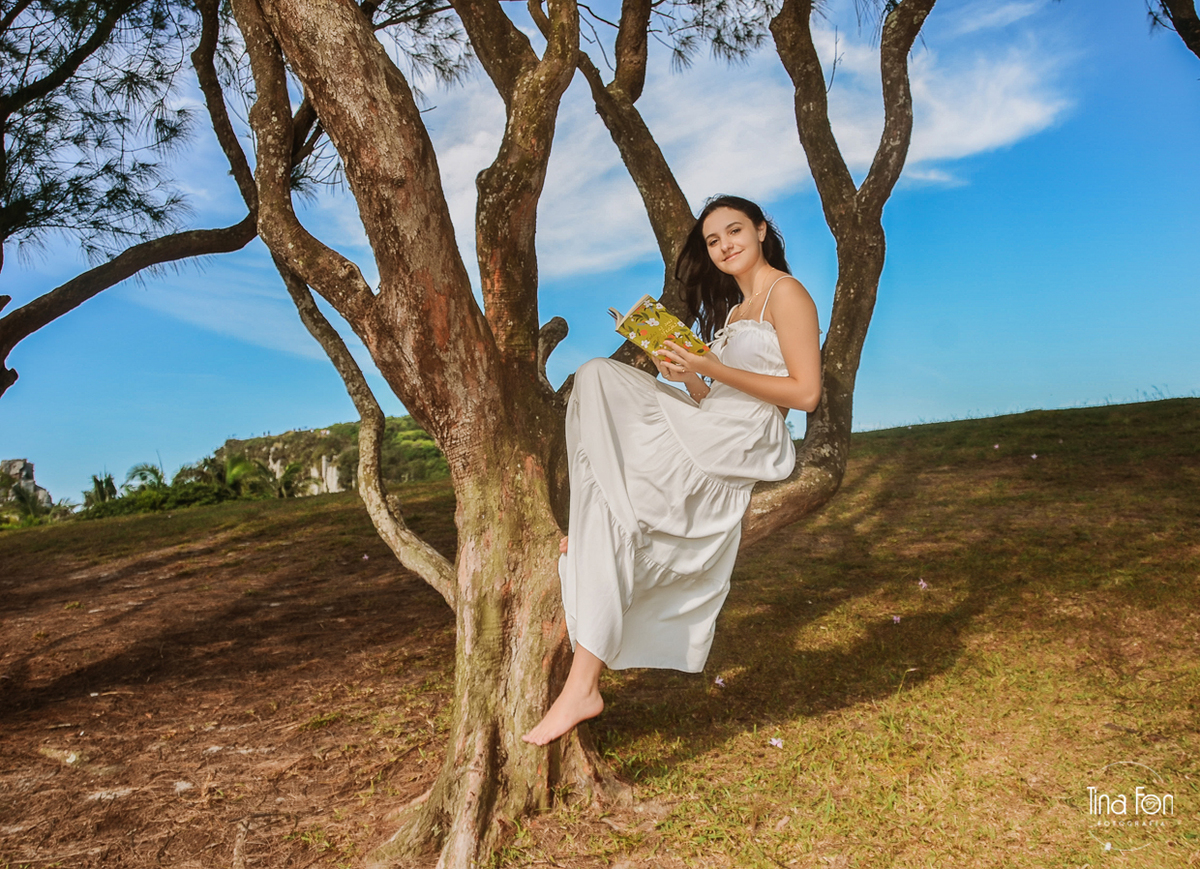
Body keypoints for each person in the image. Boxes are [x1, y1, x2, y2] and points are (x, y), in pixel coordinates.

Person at [522, 195, 822, 746]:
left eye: (734, 231)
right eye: (714, 240)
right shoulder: (733, 313)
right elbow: (719, 390)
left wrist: (709, 365)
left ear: (760, 230)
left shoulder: (788, 293)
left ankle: (582, 686)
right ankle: (585, 668)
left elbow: (804, 393)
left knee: (601, 386)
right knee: (596, 378)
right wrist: (689, 375)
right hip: (713, 418)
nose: (726, 245)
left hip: (745, 437)